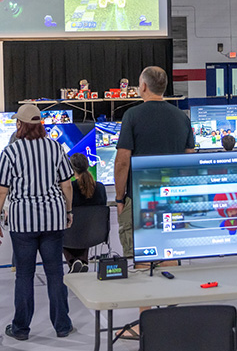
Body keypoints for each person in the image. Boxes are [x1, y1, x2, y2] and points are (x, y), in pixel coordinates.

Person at [0, 104, 75, 341]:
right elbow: (66, 185)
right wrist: (68, 211)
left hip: (23, 222)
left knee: (24, 275)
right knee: (55, 273)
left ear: (19, 124)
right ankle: (62, 325)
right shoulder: (55, 147)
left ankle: (21, 328)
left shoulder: (11, 152)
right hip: (53, 219)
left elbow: (0, 191)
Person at [114, 66, 195, 264]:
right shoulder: (182, 117)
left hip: (140, 198)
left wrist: (119, 198)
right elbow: (189, 160)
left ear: (143, 86)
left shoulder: (132, 115)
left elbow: (122, 161)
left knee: (141, 258)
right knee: (170, 252)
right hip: (173, 198)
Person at [64, 152, 108, 273]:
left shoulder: (69, 189)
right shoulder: (100, 188)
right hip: (94, 234)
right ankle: (81, 261)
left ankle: (74, 261)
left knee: (64, 228)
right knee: (86, 225)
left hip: (71, 234)